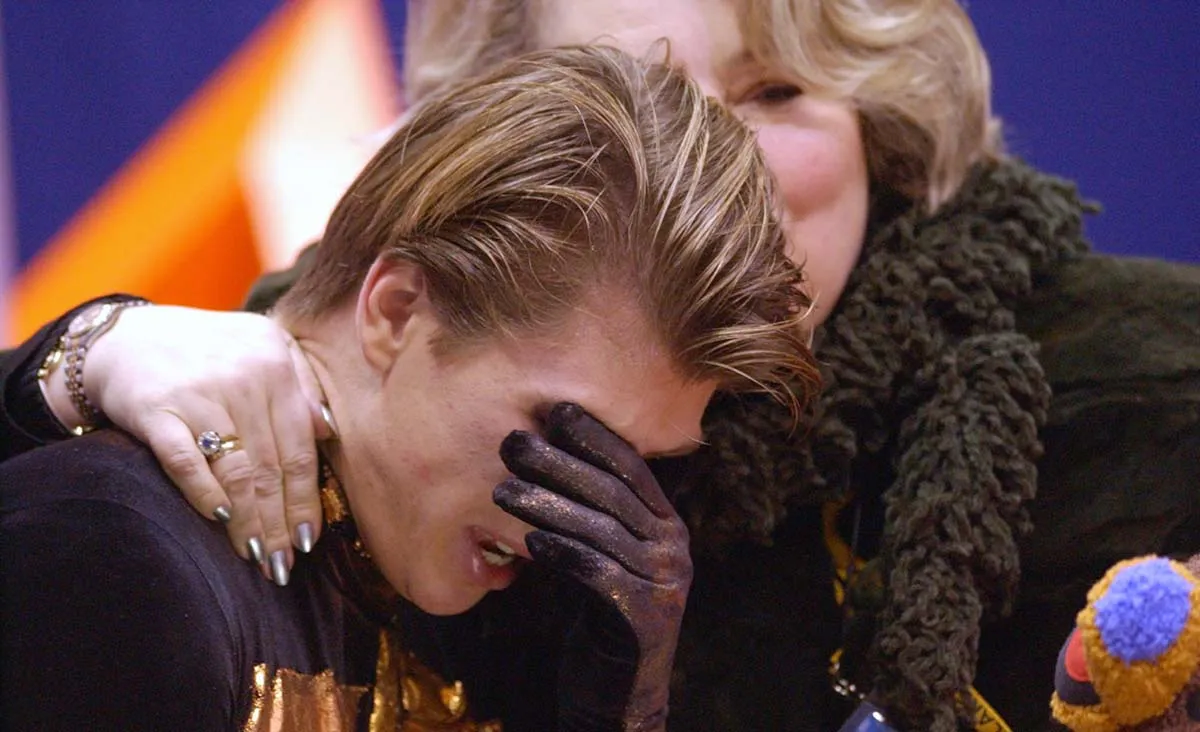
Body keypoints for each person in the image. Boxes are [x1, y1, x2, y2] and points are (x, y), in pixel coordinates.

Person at [2, 0, 1198, 729]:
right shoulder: (270, 414)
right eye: (645, 98)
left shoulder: (1134, 389)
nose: (718, 165)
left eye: (775, 89)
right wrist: (70, 362)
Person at [0, 45, 819, 730]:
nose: (586, 512)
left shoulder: (491, 623)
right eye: (564, 434)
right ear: (395, 311)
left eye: (641, 466)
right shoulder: (120, 565)